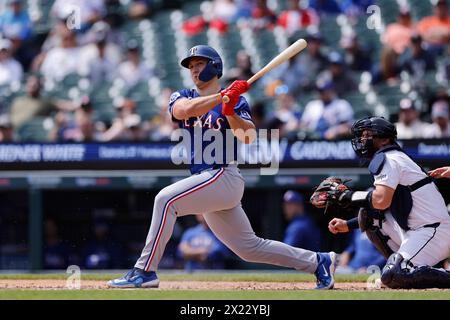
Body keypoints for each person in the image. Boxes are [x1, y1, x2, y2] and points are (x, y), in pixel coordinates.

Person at [108, 45, 337, 289]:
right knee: (249, 248)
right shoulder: (183, 94)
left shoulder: (236, 100)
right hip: (208, 181)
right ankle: (318, 261)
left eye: (200, 64)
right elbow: (182, 110)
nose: (194, 71)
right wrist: (222, 97)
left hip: (222, 175)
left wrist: (229, 110)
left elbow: (248, 136)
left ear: (215, 66)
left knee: (165, 200)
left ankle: (144, 271)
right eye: (191, 67)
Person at [323, 116, 450, 289]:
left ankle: (402, 269)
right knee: (367, 215)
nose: (362, 140)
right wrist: (349, 224)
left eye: (368, 135)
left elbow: (381, 200)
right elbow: (381, 207)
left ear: (384, 139)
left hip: (434, 231)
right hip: (416, 230)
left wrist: (347, 195)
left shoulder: (389, 158)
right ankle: (400, 266)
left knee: (395, 274)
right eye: (362, 135)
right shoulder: (390, 156)